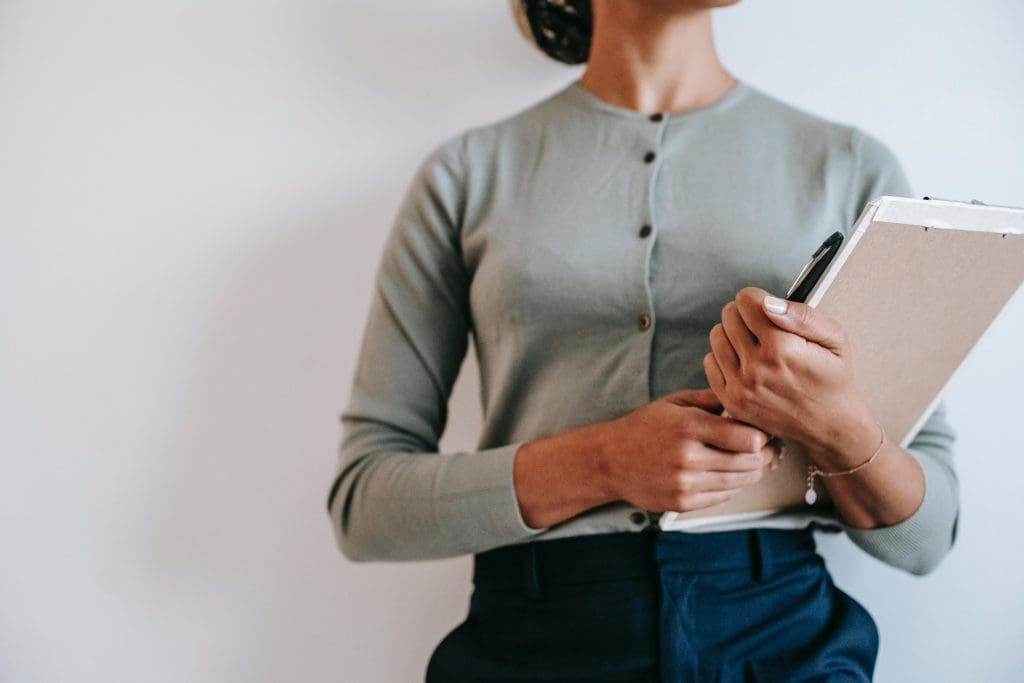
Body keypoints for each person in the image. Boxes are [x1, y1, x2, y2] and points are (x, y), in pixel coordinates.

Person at [326, 1, 960, 680]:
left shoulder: (852, 169)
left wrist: (840, 430)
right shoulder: (465, 175)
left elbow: (929, 534)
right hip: (529, 643)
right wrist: (602, 461)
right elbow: (364, 504)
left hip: (783, 637)